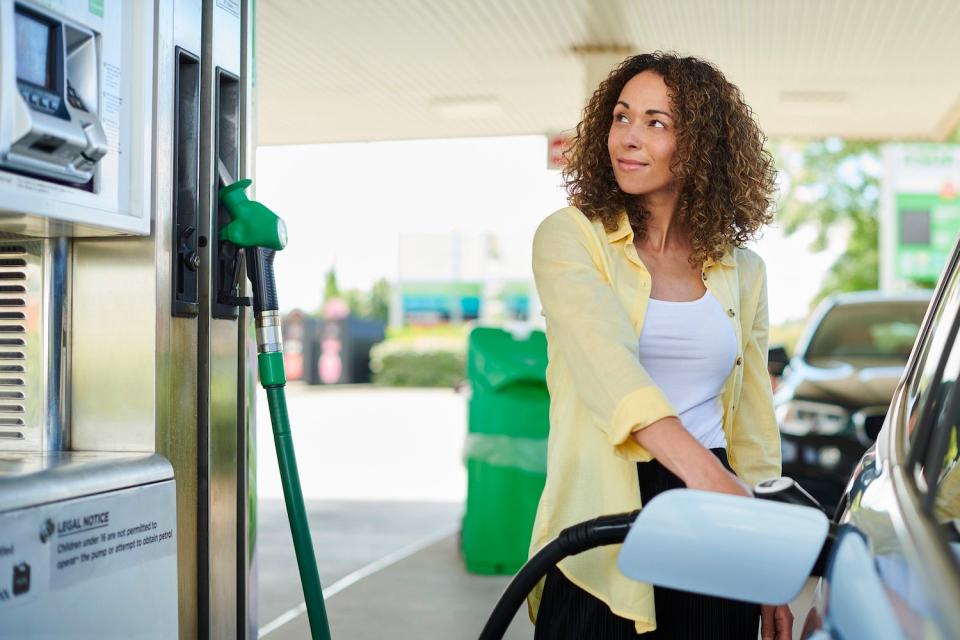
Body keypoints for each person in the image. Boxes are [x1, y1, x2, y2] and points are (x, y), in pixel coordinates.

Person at [527, 52, 793, 639]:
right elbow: (606, 365)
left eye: (656, 123)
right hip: (604, 511)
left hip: (712, 518)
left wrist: (767, 554)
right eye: (621, 118)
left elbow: (752, 423)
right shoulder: (571, 239)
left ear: (699, 144)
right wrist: (710, 478)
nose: (628, 137)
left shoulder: (742, 270)